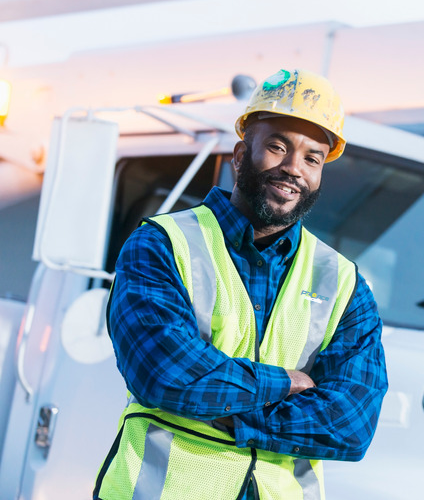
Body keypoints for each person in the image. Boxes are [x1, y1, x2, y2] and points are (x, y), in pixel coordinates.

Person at [94, 69, 388, 500]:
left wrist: (239, 416)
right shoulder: (162, 243)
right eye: (277, 146)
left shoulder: (344, 282)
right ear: (239, 154)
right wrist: (287, 383)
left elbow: (352, 423)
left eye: (312, 158)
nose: (293, 169)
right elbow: (164, 373)